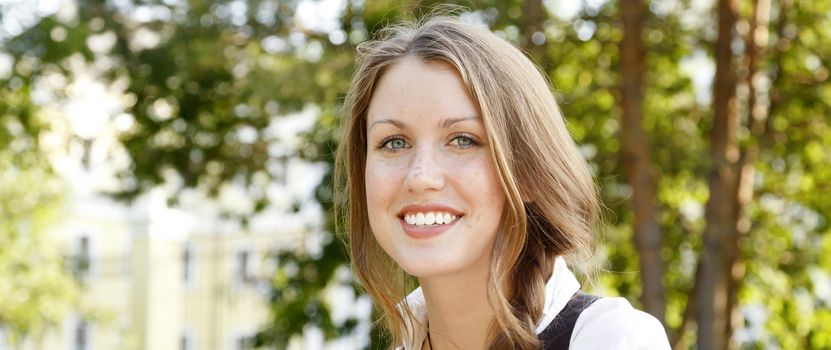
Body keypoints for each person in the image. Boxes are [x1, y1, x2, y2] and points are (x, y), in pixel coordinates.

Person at [334, 15, 670, 350]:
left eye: (462, 140)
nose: (420, 177)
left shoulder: (612, 339)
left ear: (528, 171)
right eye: (394, 142)